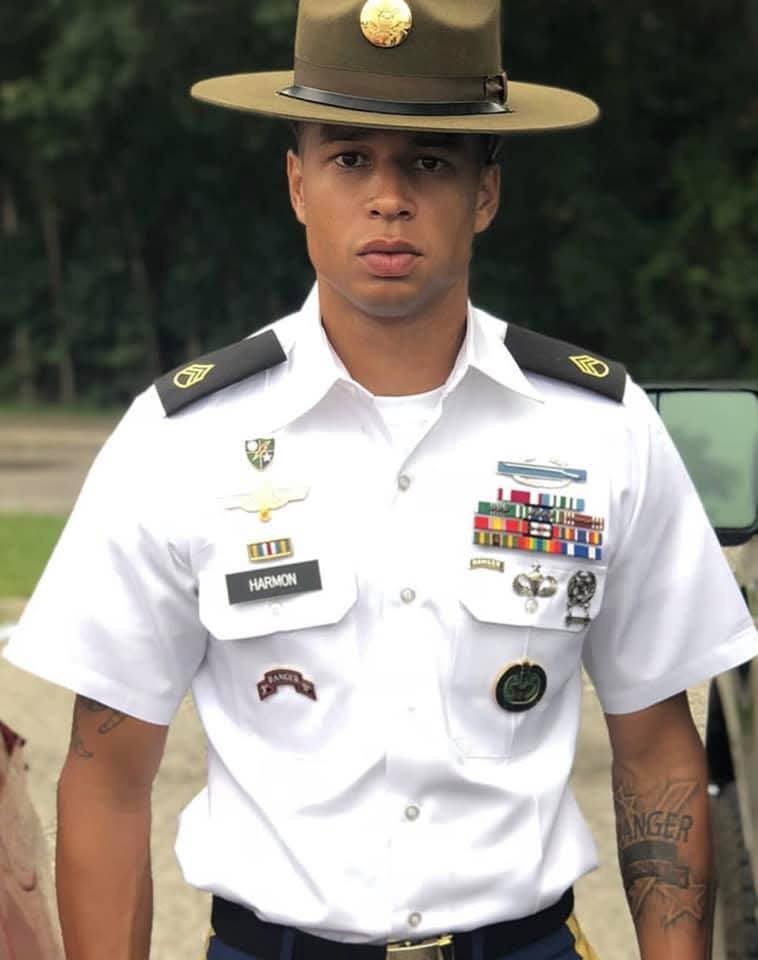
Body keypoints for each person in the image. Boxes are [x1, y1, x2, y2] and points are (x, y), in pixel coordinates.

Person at [4, 1, 757, 959]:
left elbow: (657, 747)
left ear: (487, 192)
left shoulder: (601, 430)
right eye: (350, 158)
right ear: (297, 184)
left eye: (430, 162)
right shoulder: (181, 439)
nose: (388, 198)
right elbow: (108, 773)